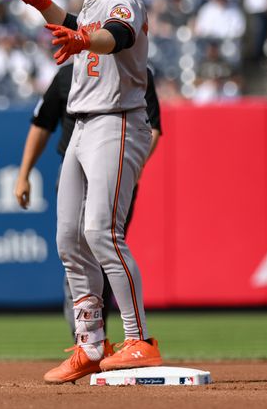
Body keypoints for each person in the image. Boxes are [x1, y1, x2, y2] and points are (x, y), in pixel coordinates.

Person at [4, 0, 162, 384]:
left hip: (117, 122)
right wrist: (46, 8)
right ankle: (90, 344)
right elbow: (83, 26)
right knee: (69, 239)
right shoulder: (94, 0)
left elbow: (119, 36)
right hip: (82, 127)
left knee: (102, 233)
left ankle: (139, 341)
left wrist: (83, 37)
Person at [14, 64, 162, 338]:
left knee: (105, 250)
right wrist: (24, 173)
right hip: (74, 171)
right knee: (75, 252)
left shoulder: (134, 70)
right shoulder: (67, 75)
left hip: (114, 167)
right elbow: (42, 124)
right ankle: (87, 340)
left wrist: (131, 167)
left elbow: (152, 128)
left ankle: (131, 338)